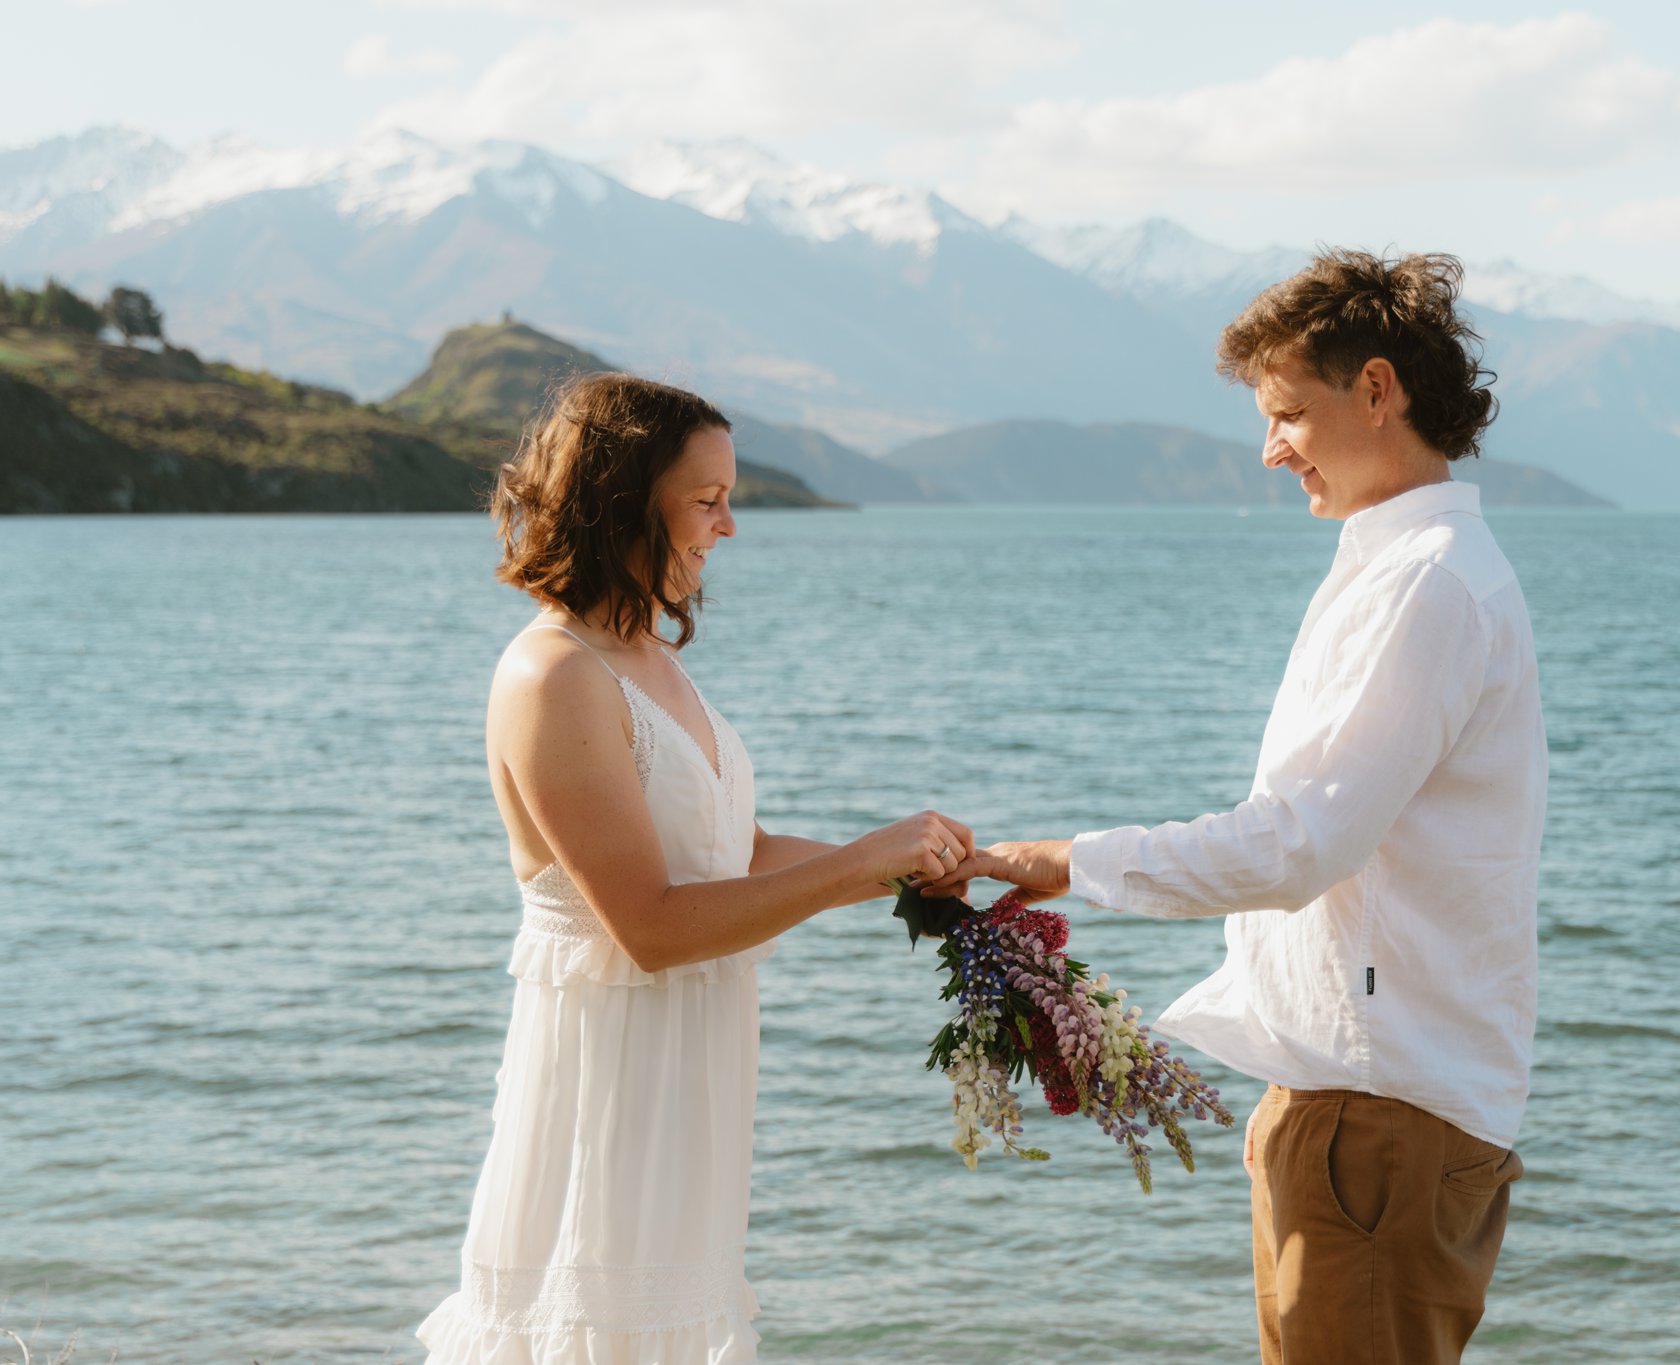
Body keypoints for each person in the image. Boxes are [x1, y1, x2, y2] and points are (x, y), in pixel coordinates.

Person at [930, 250, 1547, 1365]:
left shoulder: (1424, 586)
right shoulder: (1405, 569)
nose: (1269, 449)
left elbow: (1298, 842)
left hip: (1374, 1117)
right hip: (1355, 1104)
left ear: (1374, 389)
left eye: (1285, 414)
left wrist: (1058, 861)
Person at [417, 373, 973, 1365]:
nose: (728, 526)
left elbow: (739, 855)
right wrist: (859, 866)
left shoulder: (645, 659)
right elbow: (653, 924)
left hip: (690, 1085)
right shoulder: (552, 678)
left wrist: (925, 865)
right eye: (706, 500)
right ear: (625, 501)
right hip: (611, 1086)